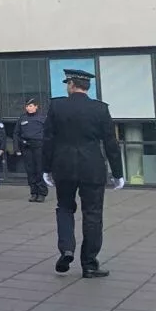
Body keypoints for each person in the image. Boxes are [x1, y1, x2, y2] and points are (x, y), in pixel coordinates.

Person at [44, 68, 122, 278]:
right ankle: (89, 263)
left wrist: (46, 168)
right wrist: (118, 172)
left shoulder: (57, 106)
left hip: (64, 167)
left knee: (65, 208)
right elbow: (111, 143)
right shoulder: (100, 109)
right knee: (93, 214)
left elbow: (48, 139)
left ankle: (67, 248)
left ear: (71, 85)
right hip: (92, 168)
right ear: (87, 86)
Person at [16, 97, 48, 203]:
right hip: (26, 147)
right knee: (30, 171)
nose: (28, 108)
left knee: (39, 170)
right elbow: (16, 134)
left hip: (39, 146)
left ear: (36, 107)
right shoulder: (22, 118)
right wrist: (17, 148)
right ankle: (33, 192)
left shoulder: (42, 118)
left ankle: (41, 193)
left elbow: (48, 133)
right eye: (27, 106)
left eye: (30, 106)